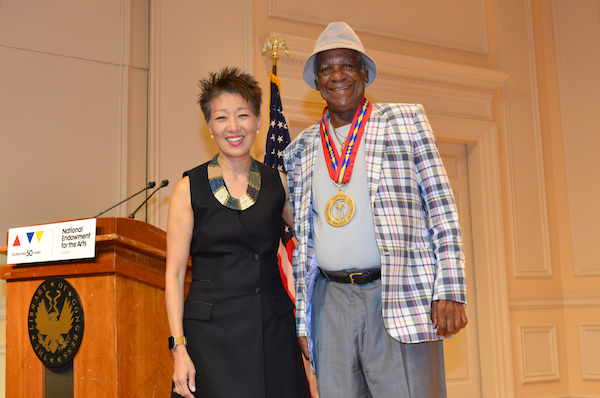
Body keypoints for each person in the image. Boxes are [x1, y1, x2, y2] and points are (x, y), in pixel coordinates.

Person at [282, 22, 468, 398]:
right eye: (326, 69)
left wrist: (450, 288)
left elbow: (441, 208)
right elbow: (303, 241)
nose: (337, 75)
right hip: (329, 302)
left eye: (347, 65)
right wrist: (303, 322)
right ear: (317, 81)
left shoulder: (405, 121)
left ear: (364, 72)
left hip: (397, 291)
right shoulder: (300, 150)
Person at [165, 67, 310, 398]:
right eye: (221, 117)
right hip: (209, 338)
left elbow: (309, 245)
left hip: (271, 331)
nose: (233, 127)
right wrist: (179, 349)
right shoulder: (189, 188)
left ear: (258, 120)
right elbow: (173, 275)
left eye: (243, 115)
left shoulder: (278, 184)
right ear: (209, 126)